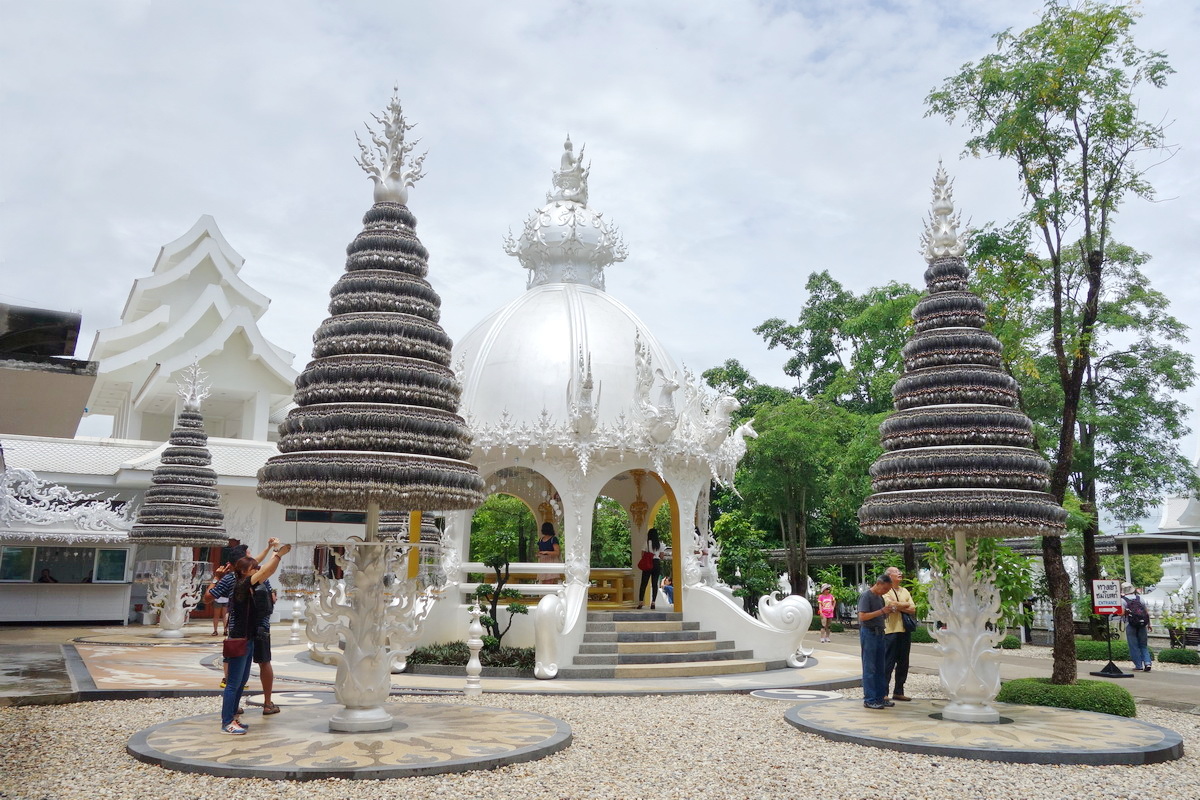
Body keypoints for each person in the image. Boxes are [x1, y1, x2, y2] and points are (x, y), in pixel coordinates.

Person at [218, 540, 291, 734]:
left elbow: (265, 569)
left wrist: (273, 552)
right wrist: (278, 554)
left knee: (241, 681)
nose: (256, 569)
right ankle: (227, 722)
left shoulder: (246, 581)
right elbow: (266, 571)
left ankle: (233, 717)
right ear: (245, 572)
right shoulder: (242, 585)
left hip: (247, 638)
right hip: (239, 638)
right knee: (233, 683)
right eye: (253, 568)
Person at [858, 574, 896, 710]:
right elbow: (862, 616)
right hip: (869, 633)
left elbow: (880, 615)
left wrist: (888, 612)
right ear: (878, 584)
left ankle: (880, 697)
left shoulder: (880, 597)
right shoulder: (866, 596)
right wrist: (881, 611)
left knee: (881, 667)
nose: (885, 592)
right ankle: (869, 699)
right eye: (885, 589)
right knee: (870, 667)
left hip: (880, 633)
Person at [882, 565, 917, 701]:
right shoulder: (886, 591)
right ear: (889, 576)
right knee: (888, 662)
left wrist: (899, 605)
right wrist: (904, 605)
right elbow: (890, 606)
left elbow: (913, 608)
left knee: (903, 662)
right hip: (890, 631)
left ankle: (899, 691)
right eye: (896, 572)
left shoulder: (905, 590)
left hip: (904, 631)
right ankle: (884, 691)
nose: (900, 574)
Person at [1121, 582, 1154, 672]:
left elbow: (1121, 613)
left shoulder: (1123, 600)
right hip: (1142, 624)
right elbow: (1146, 613)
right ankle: (1147, 662)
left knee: (1133, 645)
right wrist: (1149, 624)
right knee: (1143, 645)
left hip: (1130, 624)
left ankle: (1138, 665)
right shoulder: (1140, 598)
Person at [636, 528, 665, 610]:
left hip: (648, 564)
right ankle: (653, 602)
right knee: (655, 583)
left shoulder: (647, 543)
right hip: (656, 564)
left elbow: (642, 554)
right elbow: (662, 556)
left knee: (643, 584)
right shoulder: (660, 544)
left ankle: (641, 602)